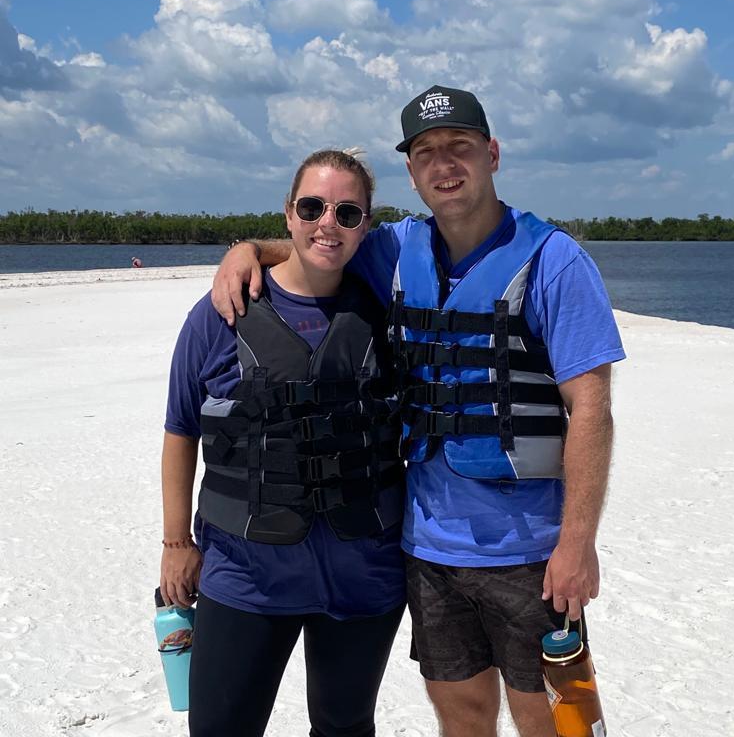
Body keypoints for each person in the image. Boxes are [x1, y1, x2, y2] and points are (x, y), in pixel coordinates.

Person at [211, 86, 626, 737]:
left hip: (531, 553)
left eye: (460, 147)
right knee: (461, 714)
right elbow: (320, 244)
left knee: (554, 718)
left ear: (491, 154)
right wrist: (249, 252)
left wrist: (577, 545)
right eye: (426, 152)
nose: (444, 164)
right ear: (411, 170)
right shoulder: (395, 249)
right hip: (427, 550)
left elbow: (592, 408)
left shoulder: (553, 259)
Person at [160, 149, 407, 737]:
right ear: (289, 214)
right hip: (246, 571)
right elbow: (180, 429)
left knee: (345, 724)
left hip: (363, 571)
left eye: (348, 213)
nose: (329, 222)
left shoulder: (386, 314)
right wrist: (176, 542)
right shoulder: (222, 311)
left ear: (365, 227)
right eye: (313, 206)